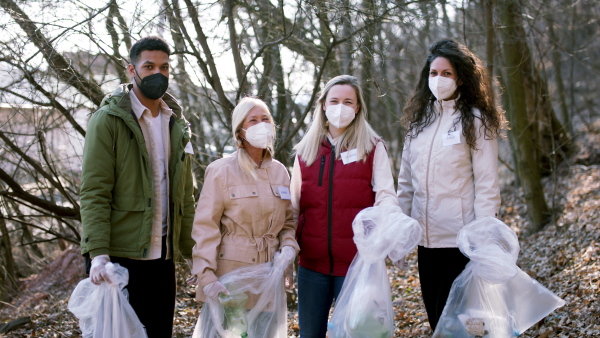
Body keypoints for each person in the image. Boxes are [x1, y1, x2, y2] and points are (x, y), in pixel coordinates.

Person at [79, 36, 196, 338]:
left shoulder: (176, 123)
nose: (158, 73)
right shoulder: (108, 121)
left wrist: (193, 252)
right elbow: (94, 191)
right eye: (149, 66)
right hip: (120, 260)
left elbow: (185, 195)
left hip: (163, 259)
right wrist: (98, 254)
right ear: (132, 70)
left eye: (164, 66)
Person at [396, 38, 508, 332]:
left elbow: (487, 184)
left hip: (461, 242)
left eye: (447, 73)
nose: (439, 79)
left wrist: (482, 237)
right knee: (437, 323)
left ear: (460, 78)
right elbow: (405, 183)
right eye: (434, 73)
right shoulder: (418, 123)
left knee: (463, 326)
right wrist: (398, 234)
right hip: (426, 242)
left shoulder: (475, 120)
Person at [290, 75, 399, 338]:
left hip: (357, 264)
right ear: (324, 106)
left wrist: (390, 227)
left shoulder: (373, 148)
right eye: (335, 101)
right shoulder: (305, 152)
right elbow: (293, 207)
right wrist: (286, 251)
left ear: (358, 107)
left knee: (358, 334)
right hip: (312, 265)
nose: (341, 107)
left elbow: (386, 196)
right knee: (310, 334)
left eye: (348, 101)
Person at [191, 97, 299, 311]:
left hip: (269, 277)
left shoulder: (279, 171)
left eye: (265, 119)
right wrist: (206, 275)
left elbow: (288, 222)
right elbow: (205, 227)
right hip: (230, 278)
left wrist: (288, 247)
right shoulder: (221, 171)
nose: (261, 125)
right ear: (240, 130)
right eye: (253, 120)